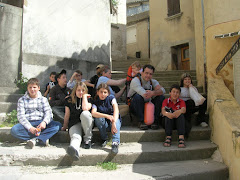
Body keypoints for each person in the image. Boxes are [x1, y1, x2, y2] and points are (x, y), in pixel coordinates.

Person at [10, 78, 62, 149]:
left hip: (40, 124)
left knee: (57, 125)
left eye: (34, 87)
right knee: (14, 130)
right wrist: (30, 128)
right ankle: (42, 138)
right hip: (28, 123)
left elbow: (49, 113)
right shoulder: (22, 100)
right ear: (27, 88)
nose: (32, 89)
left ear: (38, 88)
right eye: (30, 87)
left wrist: (44, 122)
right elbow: (21, 116)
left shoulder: (43, 99)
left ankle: (36, 139)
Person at [61, 82, 94, 161]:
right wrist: (65, 126)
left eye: (83, 90)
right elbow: (67, 115)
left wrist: (85, 97)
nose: (81, 92)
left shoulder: (89, 99)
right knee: (76, 137)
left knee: (85, 113)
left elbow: (86, 108)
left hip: (86, 124)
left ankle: (87, 140)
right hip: (74, 123)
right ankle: (74, 150)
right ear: (75, 90)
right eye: (79, 90)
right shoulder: (69, 100)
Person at [128, 64, 165, 130]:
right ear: (142, 72)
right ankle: (141, 121)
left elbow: (163, 90)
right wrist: (153, 93)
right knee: (137, 97)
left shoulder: (153, 81)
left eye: (150, 74)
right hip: (135, 105)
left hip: (148, 105)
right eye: (146, 73)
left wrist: (153, 92)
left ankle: (155, 121)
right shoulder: (135, 81)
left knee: (161, 97)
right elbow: (144, 94)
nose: (148, 75)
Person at [91, 83, 122, 154]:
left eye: (105, 92)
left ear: (108, 93)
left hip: (113, 122)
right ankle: (104, 138)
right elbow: (93, 113)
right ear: (97, 92)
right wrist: (106, 116)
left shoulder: (111, 98)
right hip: (104, 123)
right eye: (101, 92)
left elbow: (116, 110)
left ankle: (115, 143)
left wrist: (113, 121)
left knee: (116, 120)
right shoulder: (96, 101)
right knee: (98, 119)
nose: (103, 94)